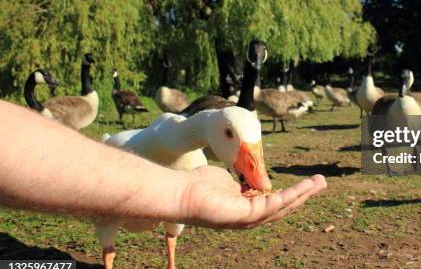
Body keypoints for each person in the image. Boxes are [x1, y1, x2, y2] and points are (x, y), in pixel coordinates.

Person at [0, 100, 326, 228]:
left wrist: (181, 196)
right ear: (215, 127)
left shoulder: (196, 150)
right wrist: (181, 195)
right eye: (230, 135)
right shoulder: (132, 138)